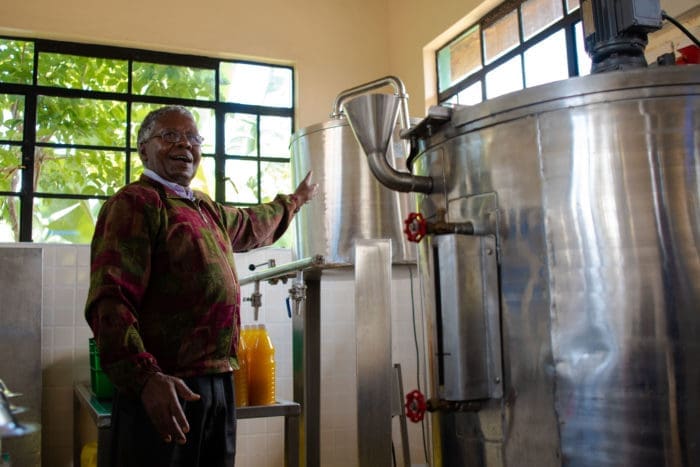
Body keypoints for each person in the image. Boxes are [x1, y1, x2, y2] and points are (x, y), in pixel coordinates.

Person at [84, 105, 318, 467]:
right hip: (165, 389)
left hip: (218, 383)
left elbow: (253, 223)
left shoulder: (204, 208)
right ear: (144, 149)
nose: (185, 145)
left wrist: (295, 201)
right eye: (170, 136)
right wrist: (146, 379)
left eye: (193, 138)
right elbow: (110, 302)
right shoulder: (135, 203)